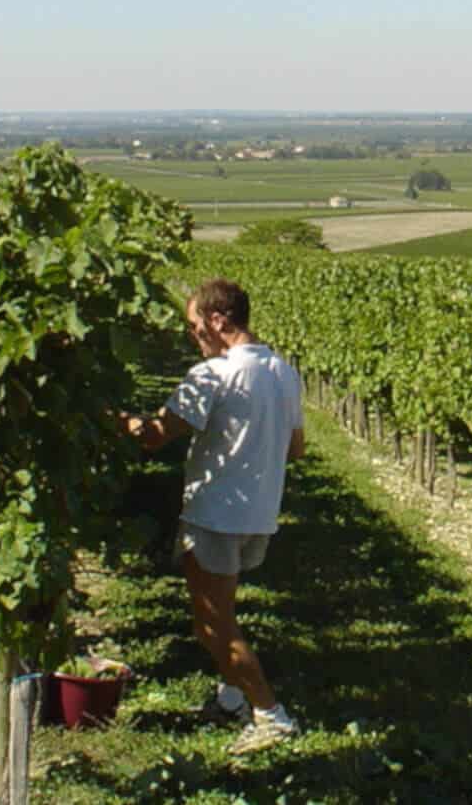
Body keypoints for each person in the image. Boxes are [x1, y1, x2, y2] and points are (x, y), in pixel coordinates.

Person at [117, 278, 306, 756]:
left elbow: (155, 435)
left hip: (216, 514)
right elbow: (297, 448)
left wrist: (114, 419)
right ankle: (231, 697)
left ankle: (271, 715)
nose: (192, 334)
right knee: (225, 611)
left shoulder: (213, 375)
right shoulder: (284, 372)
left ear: (218, 321)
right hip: (258, 514)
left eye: (194, 324)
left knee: (212, 624)